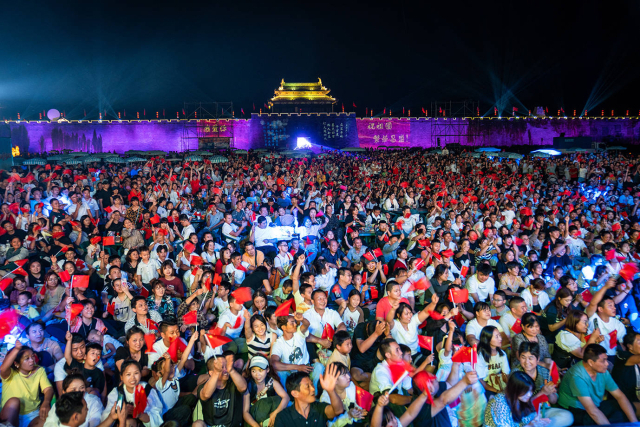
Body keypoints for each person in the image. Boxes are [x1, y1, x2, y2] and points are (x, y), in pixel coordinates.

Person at [558, 344, 638, 425]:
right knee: (616, 418)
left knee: (623, 410)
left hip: (595, 405)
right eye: (603, 361)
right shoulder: (577, 377)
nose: (607, 364)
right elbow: (592, 411)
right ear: (591, 362)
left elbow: (620, 396)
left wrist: (634, 423)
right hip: (576, 410)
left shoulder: (602, 371)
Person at [514, 342, 574, 427]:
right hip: (524, 412)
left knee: (567, 417)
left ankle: (540, 424)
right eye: (523, 357)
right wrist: (542, 392)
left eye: (530, 358)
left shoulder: (544, 372)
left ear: (538, 359)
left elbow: (553, 401)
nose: (527, 362)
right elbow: (517, 404)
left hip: (542, 410)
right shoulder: (516, 374)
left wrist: (549, 393)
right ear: (519, 358)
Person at [0, 342, 54, 427]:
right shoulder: (10, 373)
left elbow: (48, 388)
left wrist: (46, 402)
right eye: (27, 358)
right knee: (14, 401)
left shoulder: (39, 370)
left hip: (33, 414)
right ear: (16, 363)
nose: (32, 360)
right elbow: (3, 369)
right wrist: (16, 349)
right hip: (11, 415)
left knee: (48, 422)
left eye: (32, 356)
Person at [273, 363, 344, 427]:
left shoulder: (319, 408)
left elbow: (338, 411)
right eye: (307, 387)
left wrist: (330, 390)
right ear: (295, 393)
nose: (313, 389)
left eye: (312, 384)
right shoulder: (283, 417)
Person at [100, 360, 163, 427]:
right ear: (121, 377)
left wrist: (139, 414)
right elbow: (106, 418)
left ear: (141, 374)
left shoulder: (147, 390)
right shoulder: (116, 392)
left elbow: (158, 418)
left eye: (136, 373)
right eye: (128, 374)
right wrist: (121, 412)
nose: (133, 378)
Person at [194, 351, 248, 427]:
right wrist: (217, 372)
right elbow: (205, 395)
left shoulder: (234, 382)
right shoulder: (204, 387)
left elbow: (243, 388)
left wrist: (231, 370)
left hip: (232, 425)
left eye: (226, 366)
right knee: (197, 424)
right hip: (212, 425)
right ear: (211, 373)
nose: (225, 370)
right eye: (222, 367)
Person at [483, 371, 549, 427]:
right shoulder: (499, 404)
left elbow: (525, 418)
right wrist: (530, 425)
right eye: (525, 391)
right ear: (514, 389)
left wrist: (536, 420)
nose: (529, 394)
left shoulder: (519, 398)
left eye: (530, 390)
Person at [242, 355, 289, 427]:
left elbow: (286, 397)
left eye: (260, 370)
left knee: (278, 401)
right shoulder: (248, 385)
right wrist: (256, 425)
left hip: (269, 416)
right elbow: (245, 412)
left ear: (267, 370)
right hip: (254, 418)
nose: (257, 375)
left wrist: (275, 413)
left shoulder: (272, 382)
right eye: (253, 371)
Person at [476, 325, 510, 396]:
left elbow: (506, 374)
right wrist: (497, 391)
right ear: (487, 339)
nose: (500, 339)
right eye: (497, 337)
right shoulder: (480, 356)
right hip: (485, 386)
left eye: (499, 336)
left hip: (497, 383)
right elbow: (481, 381)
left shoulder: (502, 354)